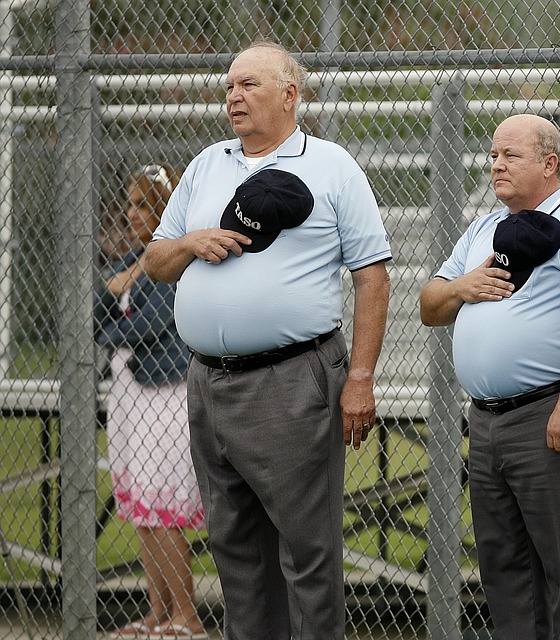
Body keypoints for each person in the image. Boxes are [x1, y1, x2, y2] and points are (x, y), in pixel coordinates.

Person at [141, 41, 392, 639]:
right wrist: (190, 242)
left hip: (292, 379)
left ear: (290, 93)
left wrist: (359, 378)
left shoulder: (331, 166)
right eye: (229, 86)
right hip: (208, 381)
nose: (233, 96)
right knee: (235, 551)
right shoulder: (206, 164)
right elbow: (154, 259)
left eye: (249, 84)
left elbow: (373, 275)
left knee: (306, 554)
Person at [419, 113, 560, 640]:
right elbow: (429, 306)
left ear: (549, 163)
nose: (496, 166)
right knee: (503, 570)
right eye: (492, 156)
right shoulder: (483, 228)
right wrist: (465, 284)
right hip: (486, 422)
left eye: (511, 156)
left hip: (548, 412)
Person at [95, 164, 207, 639]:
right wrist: (111, 289)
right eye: (130, 203)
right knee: (142, 511)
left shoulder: (170, 260)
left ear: (163, 207)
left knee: (162, 510)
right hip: (131, 393)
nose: (131, 212)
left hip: (166, 395)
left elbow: (154, 325)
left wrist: (111, 326)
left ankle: (188, 618)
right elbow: (95, 313)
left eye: (143, 204)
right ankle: (158, 614)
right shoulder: (135, 261)